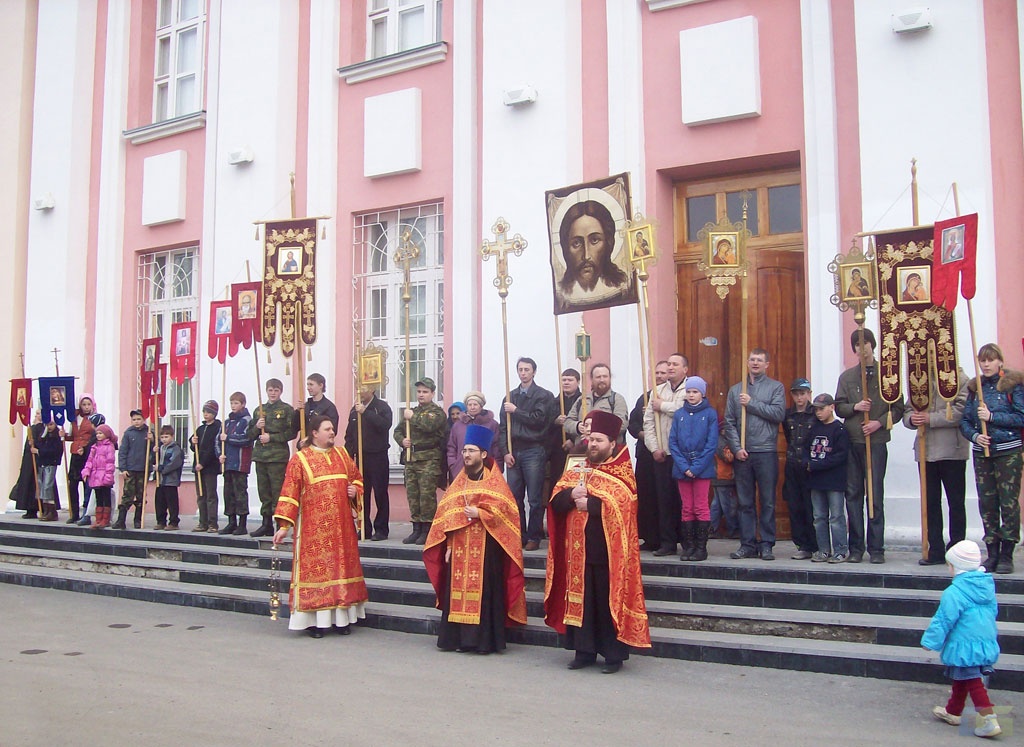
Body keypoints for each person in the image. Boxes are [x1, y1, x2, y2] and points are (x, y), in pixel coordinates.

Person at [545, 410, 651, 673]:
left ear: (612, 444)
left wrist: (590, 504)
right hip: (577, 553)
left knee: (605, 604)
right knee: (582, 603)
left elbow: (624, 508)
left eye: (599, 441)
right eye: (591, 440)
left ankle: (613, 656)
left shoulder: (622, 472)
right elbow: (555, 500)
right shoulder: (577, 469)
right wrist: (571, 495)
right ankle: (584, 652)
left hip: (607, 555)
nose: (593, 444)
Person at [423, 424, 527, 653]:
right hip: (460, 548)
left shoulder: (495, 483)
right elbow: (447, 515)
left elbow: (508, 513)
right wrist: (448, 545)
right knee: (457, 593)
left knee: (484, 595)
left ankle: (483, 642)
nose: (466, 455)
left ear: (483, 453)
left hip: (487, 549)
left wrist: (481, 513)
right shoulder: (459, 483)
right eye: (464, 450)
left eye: (471, 451)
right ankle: (458, 640)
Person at [273, 415, 368, 638]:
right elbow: (289, 493)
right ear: (315, 433)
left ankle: (342, 619)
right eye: (327, 429)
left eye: (333, 429)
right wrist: (284, 526)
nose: (332, 432)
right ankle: (315, 623)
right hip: (314, 532)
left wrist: (355, 490)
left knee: (341, 571)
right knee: (318, 575)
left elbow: (357, 479)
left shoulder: (342, 454)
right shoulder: (300, 459)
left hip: (342, 530)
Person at [835, 329, 905, 564]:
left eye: (865, 343)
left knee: (875, 495)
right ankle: (856, 547)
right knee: (853, 494)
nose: (861, 348)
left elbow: (897, 409)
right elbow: (839, 407)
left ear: (872, 346)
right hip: (853, 441)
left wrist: (878, 423)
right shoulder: (847, 377)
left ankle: (877, 549)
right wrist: (856, 407)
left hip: (875, 442)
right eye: (857, 344)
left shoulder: (888, 375)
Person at [923, 541, 1002, 738]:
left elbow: (944, 619)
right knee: (963, 675)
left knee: (973, 680)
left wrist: (930, 641)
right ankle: (953, 711)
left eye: (949, 565)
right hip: (984, 639)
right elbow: (993, 612)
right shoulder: (987, 587)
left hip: (964, 643)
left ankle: (988, 719)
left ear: (955, 567)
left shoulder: (954, 592)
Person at [960, 343, 1024, 574]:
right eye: (982, 360)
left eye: (990, 360)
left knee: (1008, 502)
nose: (986, 364)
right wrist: (975, 436)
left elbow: (1021, 416)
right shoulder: (975, 387)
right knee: (987, 503)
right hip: (983, 453)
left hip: (1008, 452)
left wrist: (992, 416)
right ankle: (992, 551)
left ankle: (1007, 553)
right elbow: (965, 421)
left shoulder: (1012, 385)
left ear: (1000, 361)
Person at [723, 348, 786, 561]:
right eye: (752, 359)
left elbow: (778, 414)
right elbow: (729, 422)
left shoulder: (775, 387)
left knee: (767, 501)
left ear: (767, 364)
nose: (755, 363)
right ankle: (747, 544)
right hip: (743, 452)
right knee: (745, 502)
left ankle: (766, 544)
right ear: (747, 362)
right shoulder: (736, 390)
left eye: (759, 360)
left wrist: (751, 404)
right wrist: (736, 448)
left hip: (766, 450)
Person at [904, 368, 970, 566]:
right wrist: (912, 419)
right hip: (926, 450)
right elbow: (909, 409)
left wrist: (930, 418)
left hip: (952, 450)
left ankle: (957, 549)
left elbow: (961, 410)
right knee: (930, 503)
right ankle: (935, 549)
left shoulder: (959, 377)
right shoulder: (919, 376)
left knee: (955, 503)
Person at [498, 357, 556, 552]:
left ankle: (534, 536)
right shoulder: (509, 396)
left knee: (534, 498)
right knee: (515, 497)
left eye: (527, 369)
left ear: (534, 372)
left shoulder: (543, 395)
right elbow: (503, 428)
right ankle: (519, 534)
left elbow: (539, 420)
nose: (523, 373)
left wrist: (516, 411)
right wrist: (505, 452)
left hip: (534, 450)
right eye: (520, 369)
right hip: (514, 451)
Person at [643, 353, 690, 556]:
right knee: (664, 500)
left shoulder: (690, 388)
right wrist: (654, 448)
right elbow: (648, 422)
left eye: (675, 364)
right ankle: (668, 542)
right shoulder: (658, 390)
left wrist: (662, 406)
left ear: (685, 369)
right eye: (669, 363)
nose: (670, 367)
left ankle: (688, 542)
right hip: (662, 454)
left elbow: (684, 411)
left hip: (684, 455)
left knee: (684, 500)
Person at [668, 376, 718, 562]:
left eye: (695, 392)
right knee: (687, 507)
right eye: (688, 391)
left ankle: (701, 548)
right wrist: (683, 466)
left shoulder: (710, 414)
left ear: (702, 394)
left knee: (700, 506)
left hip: (702, 468)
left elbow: (711, 444)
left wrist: (696, 468)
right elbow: (673, 442)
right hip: (682, 468)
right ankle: (688, 546)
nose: (691, 395)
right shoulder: (679, 414)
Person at [393, 377, 447, 545]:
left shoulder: (437, 413)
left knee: (426, 496)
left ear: (432, 393)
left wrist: (412, 417)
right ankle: (416, 528)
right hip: (411, 458)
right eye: (419, 392)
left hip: (428, 459)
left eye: (425, 392)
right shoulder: (412, 411)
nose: (421, 395)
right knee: (413, 495)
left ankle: (427, 529)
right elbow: (397, 431)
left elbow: (429, 426)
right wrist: (402, 441)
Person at [555, 200, 631, 312]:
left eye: (594, 240)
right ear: (566, 248)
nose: (586, 256)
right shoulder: (563, 295)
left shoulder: (622, 289)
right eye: (576, 243)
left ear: (608, 242)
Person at [247, 379, 297, 538]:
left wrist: (272, 438)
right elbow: (249, 435)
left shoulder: (287, 410)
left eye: (276, 390)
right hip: (261, 456)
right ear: (266, 391)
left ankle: (280, 524)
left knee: (277, 492)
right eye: (270, 390)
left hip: (277, 457)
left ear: (280, 391)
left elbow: (291, 433)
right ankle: (266, 524)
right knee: (264, 492)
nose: (273, 393)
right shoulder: (259, 411)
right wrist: (257, 426)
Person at [804, 394, 850, 563]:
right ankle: (823, 549)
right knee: (819, 517)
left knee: (836, 517)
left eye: (821, 409)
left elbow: (840, 456)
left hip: (834, 480)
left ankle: (841, 550)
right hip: (816, 480)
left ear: (832, 407)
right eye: (816, 409)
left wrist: (816, 465)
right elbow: (805, 448)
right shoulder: (814, 429)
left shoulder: (840, 430)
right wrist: (806, 463)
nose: (818, 413)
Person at [344, 386, 393, 541]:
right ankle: (364, 527)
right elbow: (349, 435)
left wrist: (365, 412)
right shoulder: (354, 410)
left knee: (380, 493)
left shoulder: (381, 407)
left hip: (378, 456)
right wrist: (348, 456)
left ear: (372, 389)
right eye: (358, 388)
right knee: (362, 494)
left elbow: (385, 425)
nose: (359, 391)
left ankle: (381, 529)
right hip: (361, 457)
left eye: (363, 388)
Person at [628, 360, 668, 550]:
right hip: (646, 454)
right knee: (647, 496)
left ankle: (667, 538)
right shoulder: (644, 398)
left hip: (666, 453)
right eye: (656, 373)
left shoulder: (674, 398)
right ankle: (650, 537)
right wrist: (643, 433)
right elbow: (632, 424)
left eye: (663, 373)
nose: (659, 376)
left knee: (665, 497)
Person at [782, 378, 818, 560]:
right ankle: (801, 545)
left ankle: (815, 544)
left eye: (802, 394)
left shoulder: (815, 413)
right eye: (796, 394)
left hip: (810, 466)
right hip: (792, 464)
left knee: (811, 507)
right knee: (795, 506)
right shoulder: (788, 415)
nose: (799, 398)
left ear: (809, 394)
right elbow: (788, 436)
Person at [564, 363, 629, 447]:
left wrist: (593, 431)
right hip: (583, 449)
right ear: (592, 379)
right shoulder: (582, 399)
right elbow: (567, 422)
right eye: (598, 377)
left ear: (610, 378)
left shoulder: (617, 400)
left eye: (605, 376)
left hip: (607, 450)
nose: (602, 380)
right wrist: (577, 426)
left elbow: (621, 425)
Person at [65, 393, 105, 525]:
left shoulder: (95, 419)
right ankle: (74, 513)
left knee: (86, 484)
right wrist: (63, 435)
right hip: (75, 453)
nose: (86, 407)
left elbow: (97, 436)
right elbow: (73, 435)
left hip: (88, 454)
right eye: (84, 404)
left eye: (88, 404)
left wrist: (86, 447)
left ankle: (86, 513)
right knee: (72, 484)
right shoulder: (75, 418)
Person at [220, 392, 253, 536]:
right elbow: (218, 440)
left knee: (240, 493)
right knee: (228, 493)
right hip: (228, 462)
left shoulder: (247, 421)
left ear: (243, 404)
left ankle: (242, 523)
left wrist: (228, 438)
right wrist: (219, 454)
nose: (233, 406)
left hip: (240, 463)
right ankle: (231, 521)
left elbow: (246, 438)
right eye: (232, 403)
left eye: (236, 403)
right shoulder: (227, 422)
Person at [446, 391, 499, 482]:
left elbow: (496, 447)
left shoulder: (492, 424)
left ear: (481, 406)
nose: (472, 407)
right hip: (460, 469)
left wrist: (497, 467)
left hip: (485, 470)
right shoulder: (458, 425)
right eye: (470, 404)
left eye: (475, 404)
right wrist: (453, 465)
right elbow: (451, 447)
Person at [113, 410, 152, 530]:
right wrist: (123, 468)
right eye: (134, 419)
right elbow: (123, 451)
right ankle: (121, 520)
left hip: (143, 469)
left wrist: (152, 440)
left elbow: (155, 450)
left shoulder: (149, 433)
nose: (136, 422)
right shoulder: (129, 433)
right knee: (127, 495)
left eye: (139, 419)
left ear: (144, 420)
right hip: (130, 469)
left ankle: (138, 520)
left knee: (141, 496)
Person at [190, 400, 222, 532]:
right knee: (201, 495)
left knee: (210, 495)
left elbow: (212, 449)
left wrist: (202, 463)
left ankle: (212, 523)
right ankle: (202, 522)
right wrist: (192, 442)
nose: (206, 414)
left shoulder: (217, 428)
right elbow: (194, 447)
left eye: (209, 412)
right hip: (198, 467)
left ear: (214, 413)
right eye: (204, 411)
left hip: (210, 467)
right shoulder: (200, 429)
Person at [547, 368, 582, 487]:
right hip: (557, 449)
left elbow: (585, 423)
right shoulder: (554, 402)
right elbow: (545, 424)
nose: (566, 382)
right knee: (557, 481)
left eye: (570, 380)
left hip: (577, 448)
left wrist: (572, 440)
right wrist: (555, 421)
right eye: (564, 380)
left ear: (578, 382)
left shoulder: (583, 402)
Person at [9, 413, 47, 519]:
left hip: (38, 461)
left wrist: (35, 446)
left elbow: (42, 442)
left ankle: (42, 508)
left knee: (39, 485)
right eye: (36, 413)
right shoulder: (33, 427)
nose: (36, 415)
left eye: (39, 413)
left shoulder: (43, 427)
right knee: (28, 485)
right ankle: (30, 508)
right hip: (28, 461)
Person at [82, 425, 117, 529]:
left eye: (100, 433)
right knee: (98, 498)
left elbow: (110, 463)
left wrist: (108, 476)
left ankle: (106, 519)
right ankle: (98, 519)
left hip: (104, 476)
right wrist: (86, 471)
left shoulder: (109, 446)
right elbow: (90, 460)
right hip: (95, 476)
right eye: (97, 433)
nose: (98, 435)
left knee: (106, 497)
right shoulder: (94, 447)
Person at [294, 373, 340, 445]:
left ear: (321, 385)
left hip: (320, 446)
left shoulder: (329, 407)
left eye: (311, 384)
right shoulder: (306, 405)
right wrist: (297, 412)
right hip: (304, 445)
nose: (308, 388)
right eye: (307, 385)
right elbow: (296, 427)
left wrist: (309, 439)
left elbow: (332, 430)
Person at [33, 418, 65, 522]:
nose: (49, 427)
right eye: (47, 424)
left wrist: (39, 451)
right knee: (42, 487)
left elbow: (54, 450)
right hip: (42, 463)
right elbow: (39, 444)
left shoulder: (57, 436)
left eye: (51, 424)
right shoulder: (44, 435)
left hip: (51, 463)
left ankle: (52, 511)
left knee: (47, 486)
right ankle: (46, 509)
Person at [154, 425, 184, 530]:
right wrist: (154, 453)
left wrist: (161, 469)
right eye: (162, 437)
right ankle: (161, 521)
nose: (164, 439)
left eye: (166, 437)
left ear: (172, 436)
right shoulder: (160, 448)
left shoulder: (176, 449)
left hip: (171, 480)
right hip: (160, 480)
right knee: (160, 502)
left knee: (172, 502)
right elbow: (154, 460)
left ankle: (174, 522)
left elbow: (174, 463)